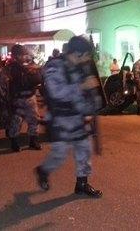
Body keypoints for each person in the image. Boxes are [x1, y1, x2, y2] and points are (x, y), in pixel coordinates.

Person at [35, 36, 103, 198]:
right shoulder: (54, 67)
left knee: (83, 152)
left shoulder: (82, 67)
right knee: (59, 155)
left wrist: (91, 109)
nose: (88, 59)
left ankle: (82, 184)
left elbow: (90, 94)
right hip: (60, 119)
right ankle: (43, 171)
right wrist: (81, 86)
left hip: (78, 118)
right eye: (87, 55)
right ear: (78, 53)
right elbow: (55, 93)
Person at [4, 44, 42, 152]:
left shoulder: (32, 65)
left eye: (25, 54)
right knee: (16, 121)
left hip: (30, 96)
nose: (23, 57)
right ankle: (14, 142)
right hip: (17, 98)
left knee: (34, 119)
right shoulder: (10, 68)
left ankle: (33, 141)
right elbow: (4, 83)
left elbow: (39, 77)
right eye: (21, 55)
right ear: (15, 56)